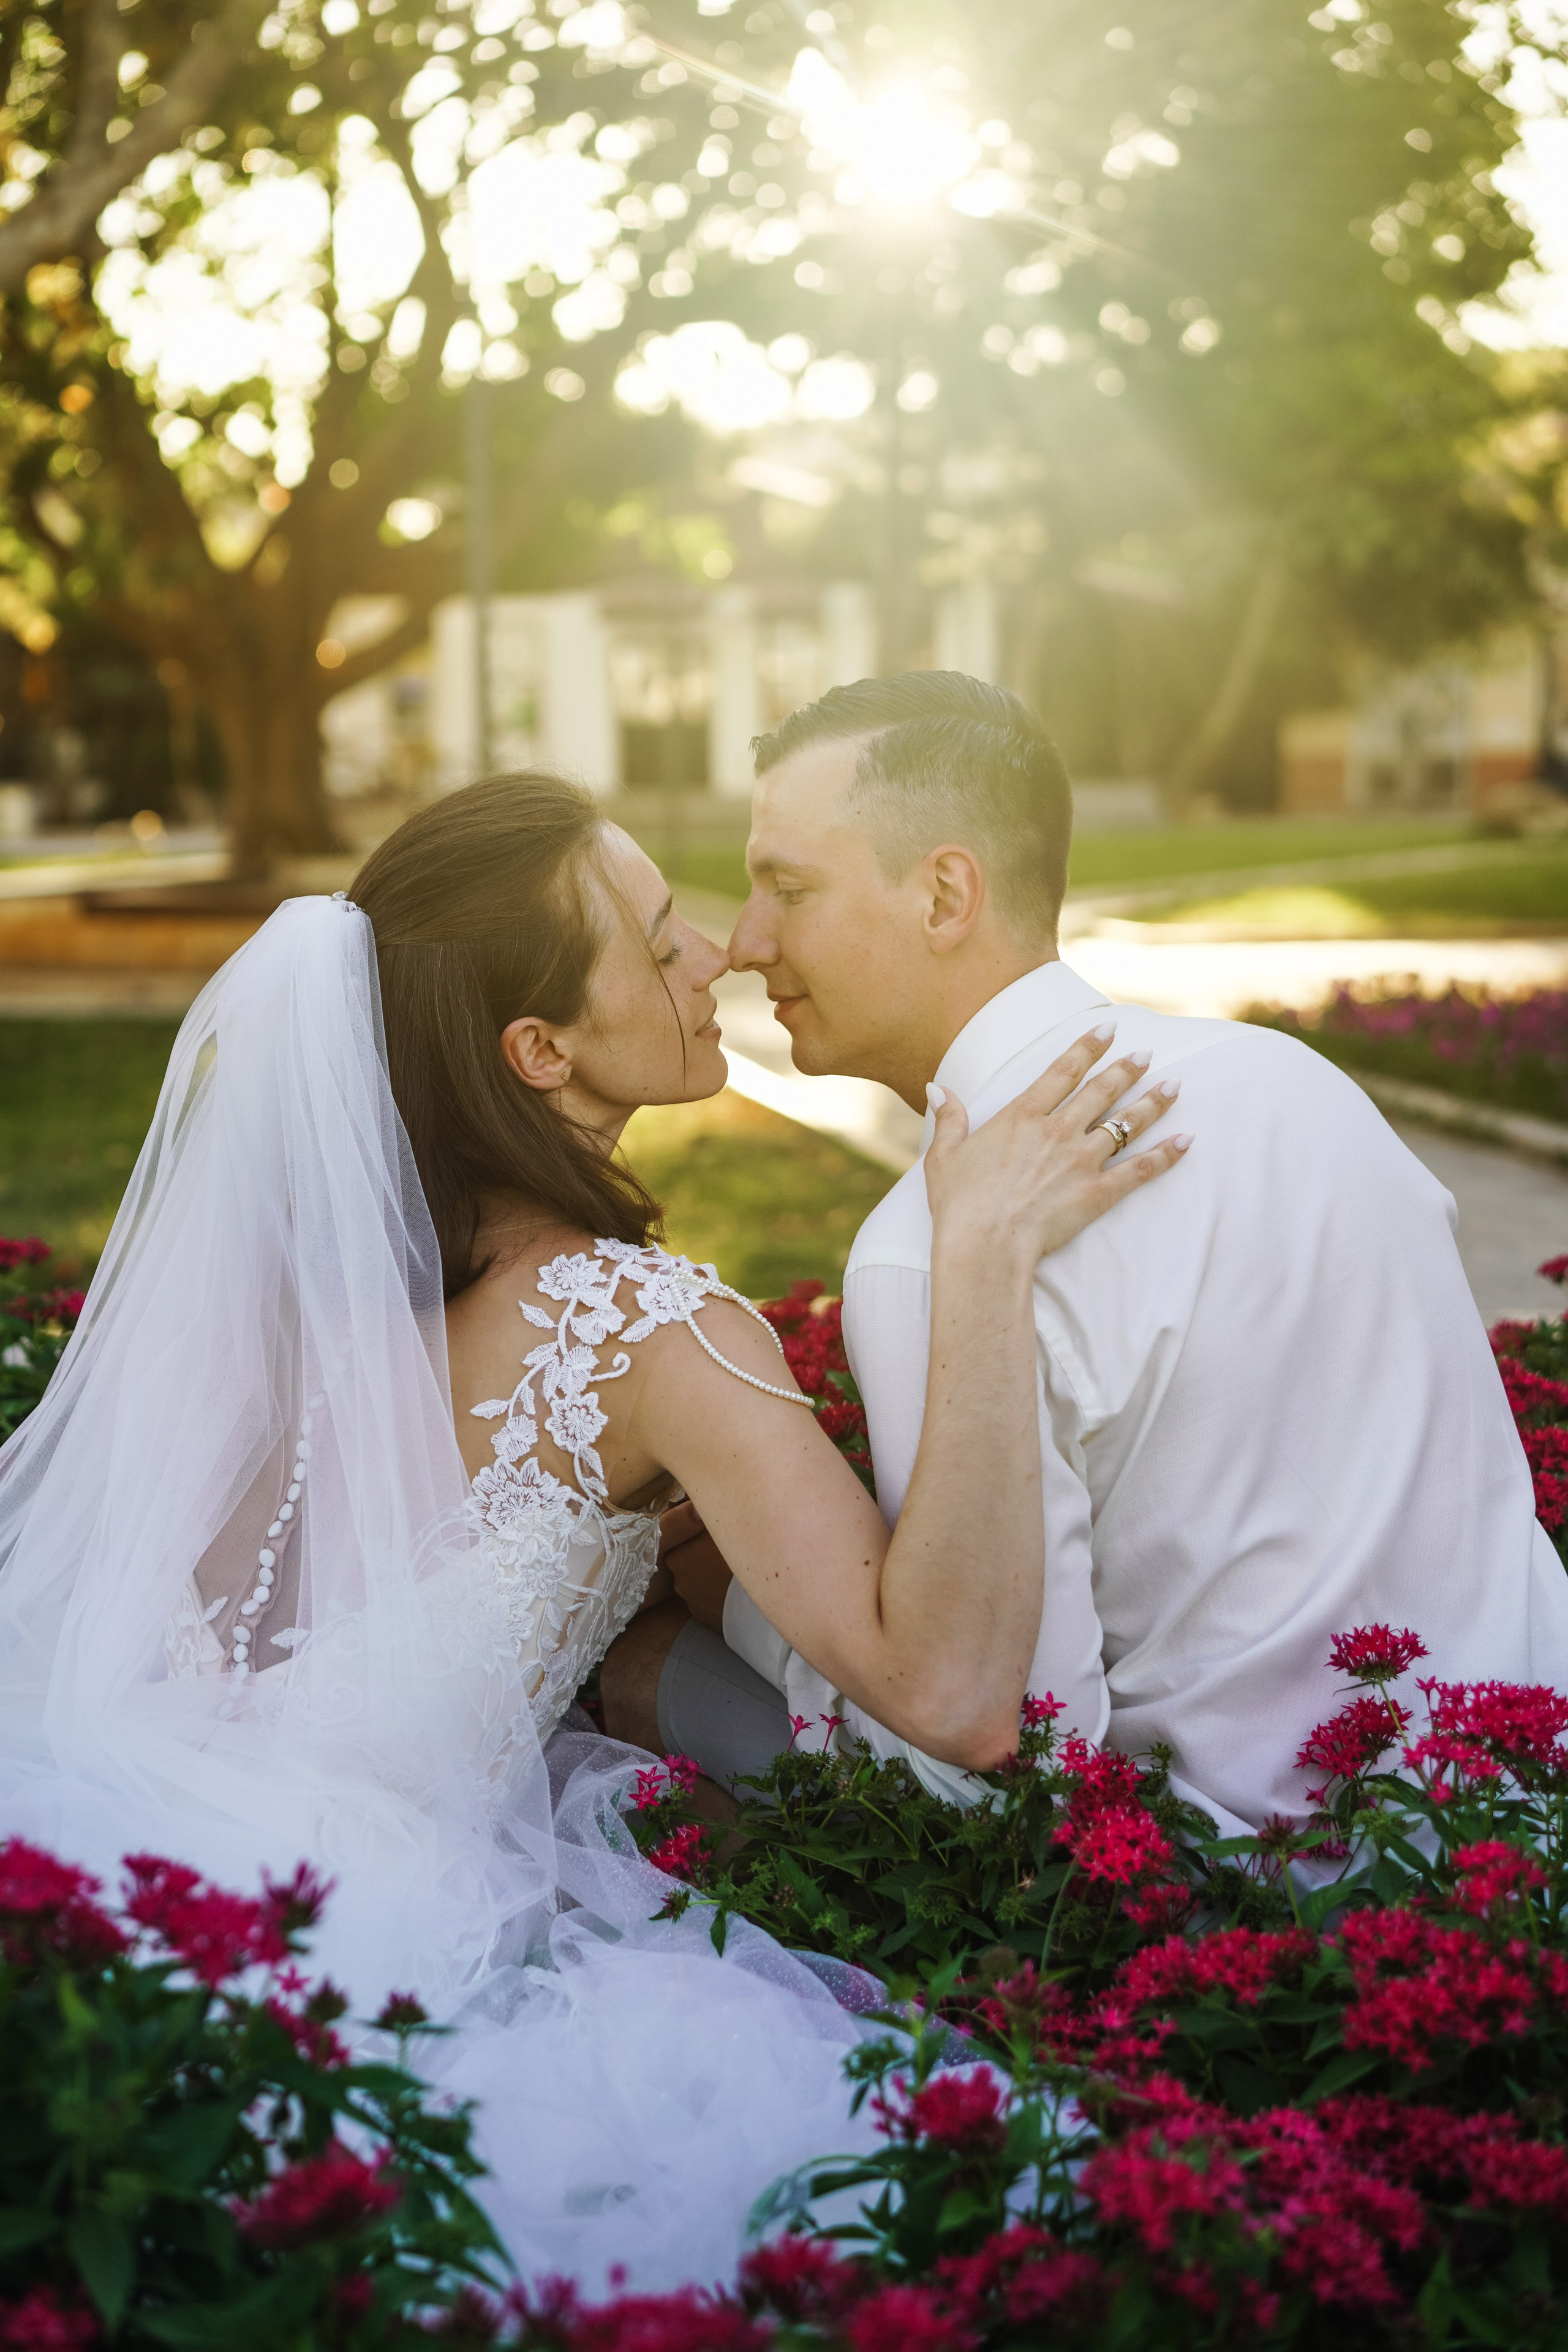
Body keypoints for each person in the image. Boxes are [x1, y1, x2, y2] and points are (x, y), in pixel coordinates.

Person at [0, 769, 1182, 2292]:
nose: (718, 957)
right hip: (372, 1950)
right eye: (656, 938)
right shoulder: (647, 1333)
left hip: (113, 1847)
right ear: (540, 1048)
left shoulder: (284, 1296)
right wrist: (986, 1253)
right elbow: (948, 1692)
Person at [605, 671, 1568, 1842]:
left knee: (647, 1670)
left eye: (789, 889)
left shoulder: (928, 1249)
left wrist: (741, 1610)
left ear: (946, 893)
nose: (746, 942)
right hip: (1525, 1807)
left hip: (1271, 1887)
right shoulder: (1301, 1084)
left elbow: (1007, 1746)